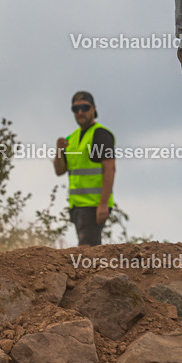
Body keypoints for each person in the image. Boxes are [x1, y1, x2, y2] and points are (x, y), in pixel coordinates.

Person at [53, 91, 116, 246]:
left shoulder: (100, 135)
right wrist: (59, 151)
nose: (80, 112)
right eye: (76, 109)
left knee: (87, 251)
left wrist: (103, 204)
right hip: (76, 207)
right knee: (88, 251)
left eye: (84, 107)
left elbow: (110, 169)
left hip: (94, 206)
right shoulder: (70, 139)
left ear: (94, 108)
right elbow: (60, 171)